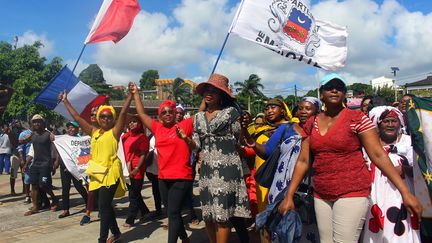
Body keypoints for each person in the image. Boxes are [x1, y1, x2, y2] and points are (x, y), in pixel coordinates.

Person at [278, 73, 423, 243]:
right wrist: (289, 195)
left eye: (339, 87)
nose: (334, 90)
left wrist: (405, 192)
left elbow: (378, 155)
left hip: (352, 191)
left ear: (344, 94)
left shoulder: (357, 118)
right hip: (322, 194)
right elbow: (303, 161)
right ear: (321, 93)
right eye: (329, 87)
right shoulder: (312, 122)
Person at [59, 85, 133, 243]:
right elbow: (77, 118)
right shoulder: (93, 131)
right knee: (104, 206)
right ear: (99, 118)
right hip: (97, 173)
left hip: (110, 173)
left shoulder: (114, 132)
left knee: (104, 206)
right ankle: (116, 231)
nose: (106, 119)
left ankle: (102, 239)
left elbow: (124, 113)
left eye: (109, 117)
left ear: (113, 119)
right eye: (103, 116)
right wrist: (65, 101)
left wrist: (130, 95)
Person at [193, 73, 251, 243]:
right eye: (206, 90)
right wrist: (186, 140)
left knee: (222, 215)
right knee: (209, 215)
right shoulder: (197, 117)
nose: (209, 93)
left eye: (214, 91)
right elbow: (196, 145)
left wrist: (245, 126)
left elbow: (238, 140)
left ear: (222, 95)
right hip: (206, 169)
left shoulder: (231, 113)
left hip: (227, 168)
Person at [132, 83, 193, 243]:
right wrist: (136, 94)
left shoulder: (184, 125)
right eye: (164, 112)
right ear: (159, 116)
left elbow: (200, 112)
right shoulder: (157, 128)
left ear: (175, 114)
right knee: (172, 212)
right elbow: (141, 113)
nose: (167, 114)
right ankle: (185, 237)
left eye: (170, 112)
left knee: (172, 213)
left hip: (181, 177)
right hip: (163, 177)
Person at [363, 106, 420, 242]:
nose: (390, 125)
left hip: (403, 196)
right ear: (378, 123)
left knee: (402, 229)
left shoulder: (409, 142)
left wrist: (404, 169)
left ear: (400, 123)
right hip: (376, 195)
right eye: (386, 121)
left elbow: (421, 171)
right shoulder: (369, 144)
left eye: (394, 121)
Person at [24, 114, 59, 216]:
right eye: (34, 122)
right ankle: (35, 207)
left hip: (46, 164)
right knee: (34, 186)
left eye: (39, 121)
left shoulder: (49, 135)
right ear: (32, 124)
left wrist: (56, 162)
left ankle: (54, 199)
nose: (37, 123)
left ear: (43, 123)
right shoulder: (32, 135)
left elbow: (56, 149)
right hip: (35, 164)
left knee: (44, 185)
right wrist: (26, 163)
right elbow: (19, 143)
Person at [121, 115, 150, 227]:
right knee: (135, 193)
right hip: (126, 169)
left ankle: (130, 219)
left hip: (136, 169)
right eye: (130, 122)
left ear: (139, 124)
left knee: (133, 194)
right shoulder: (125, 136)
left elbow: (143, 155)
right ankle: (145, 211)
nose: (131, 124)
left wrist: (137, 168)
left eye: (134, 122)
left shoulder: (142, 137)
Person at [57, 121, 89, 219]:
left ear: (77, 129)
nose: (71, 129)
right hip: (64, 168)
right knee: (65, 189)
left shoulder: (81, 140)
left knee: (79, 186)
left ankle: (89, 204)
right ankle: (66, 210)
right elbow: (60, 151)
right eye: (69, 127)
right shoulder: (63, 139)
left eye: (73, 127)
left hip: (76, 168)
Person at [80, 105, 100, 225]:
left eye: (95, 114)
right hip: (91, 165)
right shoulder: (88, 130)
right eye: (91, 114)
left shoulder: (108, 130)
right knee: (91, 190)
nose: (93, 116)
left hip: (105, 166)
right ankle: (88, 213)